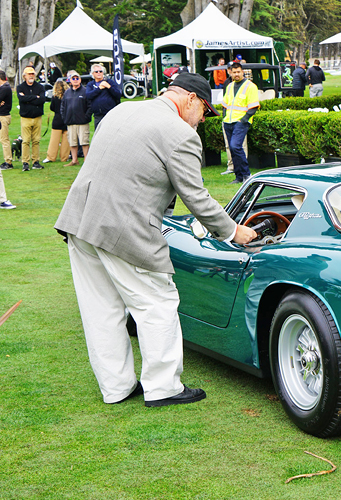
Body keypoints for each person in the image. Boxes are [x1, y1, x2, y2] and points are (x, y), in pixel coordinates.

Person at [54, 73, 258, 407]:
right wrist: (235, 231)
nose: (203, 120)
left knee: (101, 310)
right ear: (190, 99)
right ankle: (164, 387)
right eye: (205, 111)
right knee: (157, 303)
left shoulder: (122, 110)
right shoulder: (181, 134)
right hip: (124, 227)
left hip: (80, 219)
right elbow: (196, 196)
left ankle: (117, 387)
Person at [222, 62, 260, 184]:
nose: (236, 74)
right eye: (234, 72)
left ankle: (246, 174)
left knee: (235, 146)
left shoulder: (250, 86)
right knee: (232, 149)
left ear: (242, 72)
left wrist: (243, 120)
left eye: (238, 72)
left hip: (241, 121)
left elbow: (253, 107)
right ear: (230, 73)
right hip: (228, 121)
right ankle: (239, 177)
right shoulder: (229, 86)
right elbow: (225, 105)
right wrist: (224, 118)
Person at [17, 66, 46, 171]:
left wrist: (28, 99)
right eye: (29, 74)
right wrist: (35, 97)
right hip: (26, 118)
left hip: (37, 117)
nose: (31, 76)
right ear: (24, 76)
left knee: (36, 141)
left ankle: (36, 161)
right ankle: (25, 162)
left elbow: (42, 99)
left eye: (33, 74)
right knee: (25, 141)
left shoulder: (40, 87)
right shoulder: (20, 87)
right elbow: (21, 98)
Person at [61, 70, 93, 166]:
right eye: (73, 78)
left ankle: (86, 159)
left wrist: (86, 117)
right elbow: (62, 106)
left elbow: (90, 106)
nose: (75, 80)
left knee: (84, 141)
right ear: (70, 80)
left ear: (80, 80)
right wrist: (65, 117)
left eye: (77, 78)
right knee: (72, 142)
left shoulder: (85, 91)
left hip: (82, 121)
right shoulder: (67, 93)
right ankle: (74, 160)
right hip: (70, 121)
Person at [85, 63, 121, 129]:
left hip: (110, 114)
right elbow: (88, 95)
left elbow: (118, 95)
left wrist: (109, 87)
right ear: (93, 74)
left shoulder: (110, 82)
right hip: (98, 115)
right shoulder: (90, 84)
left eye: (100, 71)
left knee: (111, 132)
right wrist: (99, 88)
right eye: (96, 71)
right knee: (99, 135)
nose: (99, 73)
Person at [43, 80, 70, 163]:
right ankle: (64, 157)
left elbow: (52, 107)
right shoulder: (68, 96)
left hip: (57, 119)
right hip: (67, 119)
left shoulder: (55, 97)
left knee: (54, 140)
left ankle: (51, 157)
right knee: (66, 140)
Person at [0, 70, 13, 170]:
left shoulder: (5, 88)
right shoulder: (3, 88)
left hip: (3, 116)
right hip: (2, 115)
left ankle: (8, 161)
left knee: (4, 139)